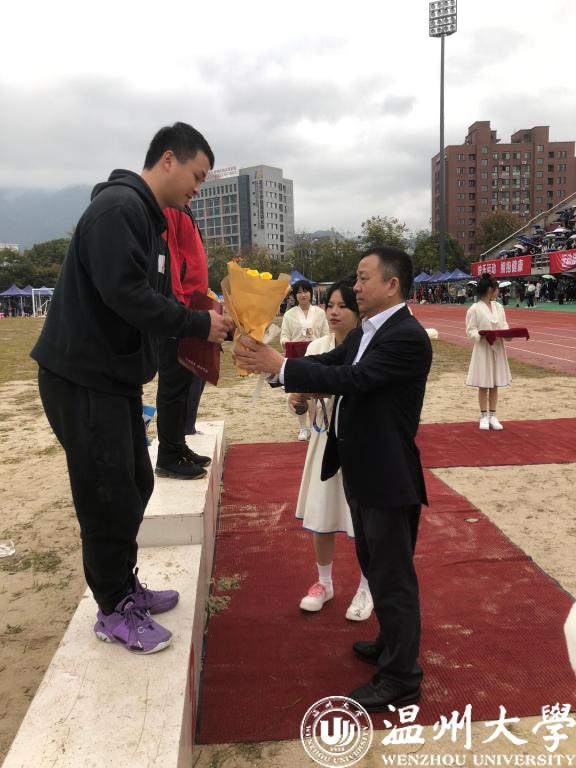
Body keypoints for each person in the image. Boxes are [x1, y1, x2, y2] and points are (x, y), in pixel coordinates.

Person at [30, 122, 234, 655]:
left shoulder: (149, 220)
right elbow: (126, 294)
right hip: (81, 377)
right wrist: (197, 324)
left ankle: (125, 585)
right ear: (168, 160)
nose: (198, 188)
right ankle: (112, 607)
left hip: (113, 377)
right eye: (197, 176)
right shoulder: (118, 209)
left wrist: (205, 313)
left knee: (137, 482)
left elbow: (157, 296)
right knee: (106, 494)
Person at [235, 246, 433, 711]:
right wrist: (278, 369)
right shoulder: (367, 331)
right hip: (361, 470)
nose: (355, 287)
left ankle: (402, 676)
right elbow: (333, 365)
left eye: (364, 279)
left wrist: (282, 367)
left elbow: (355, 379)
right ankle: (390, 643)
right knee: (375, 564)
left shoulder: (406, 336)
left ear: (392, 285)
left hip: (388, 475)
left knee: (393, 576)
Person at [291, 280, 373, 622]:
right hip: (323, 440)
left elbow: (355, 386)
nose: (334, 312)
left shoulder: (369, 349)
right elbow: (302, 397)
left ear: (359, 312)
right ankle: (324, 583)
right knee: (322, 514)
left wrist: (321, 388)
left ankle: (367, 586)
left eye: (343, 306)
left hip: (359, 443)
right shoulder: (317, 347)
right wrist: (298, 400)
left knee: (364, 521)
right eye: (331, 305)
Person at [155, 204, 211, 480]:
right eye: (195, 182)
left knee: (186, 382)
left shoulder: (186, 208)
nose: (197, 187)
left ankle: (178, 444)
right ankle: (168, 454)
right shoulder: (171, 206)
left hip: (193, 307)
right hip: (180, 308)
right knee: (173, 384)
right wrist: (177, 305)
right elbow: (170, 257)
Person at [280, 280, 329, 440]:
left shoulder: (320, 313)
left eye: (306, 291)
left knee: (314, 393)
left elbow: (326, 334)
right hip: (297, 358)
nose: (303, 295)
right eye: (299, 292)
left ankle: (314, 425)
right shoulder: (289, 315)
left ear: (311, 293)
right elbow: (284, 336)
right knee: (299, 394)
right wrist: (287, 343)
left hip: (316, 357)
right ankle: (302, 427)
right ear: (295, 296)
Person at [465, 273, 511, 431]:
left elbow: (504, 325)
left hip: (497, 348)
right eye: (497, 289)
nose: (498, 291)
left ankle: (493, 415)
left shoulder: (499, 307)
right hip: (483, 349)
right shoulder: (474, 309)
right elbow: (471, 330)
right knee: (484, 384)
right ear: (490, 289)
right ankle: (484, 416)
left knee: (495, 383)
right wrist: (481, 335)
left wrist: (507, 334)